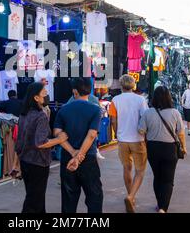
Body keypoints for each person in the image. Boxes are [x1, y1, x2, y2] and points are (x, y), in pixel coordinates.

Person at [14, 82, 68, 213]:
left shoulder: (24, 114)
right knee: (34, 201)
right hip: (38, 163)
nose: (46, 95)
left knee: (35, 198)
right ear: (36, 98)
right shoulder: (40, 116)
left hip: (25, 161)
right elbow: (41, 143)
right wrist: (59, 139)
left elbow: (19, 142)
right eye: (44, 92)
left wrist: (16, 164)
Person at [53, 77, 103, 213]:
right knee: (94, 197)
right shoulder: (95, 110)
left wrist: (73, 153)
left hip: (67, 158)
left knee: (69, 199)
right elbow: (92, 135)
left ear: (74, 92)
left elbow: (58, 133)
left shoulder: (64, 109)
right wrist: (79, 155)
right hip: (88, 158)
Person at [138, 86, 187, 213]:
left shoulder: (148, 112)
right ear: (169, 97)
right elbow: (180, 133)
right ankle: (163, 208)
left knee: (157, 177)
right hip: (170, 148)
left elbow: (141, 130)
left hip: (153, 148)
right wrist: (184, 147)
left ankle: (160, 204)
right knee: (168, 179)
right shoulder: (175, 113)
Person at [108, 75, 148, 213]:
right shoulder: (140, 99)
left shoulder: (115, 100)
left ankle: (130, 195)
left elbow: (113, 120)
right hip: (138, 139)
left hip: (122, 140)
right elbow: (145, 118)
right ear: (133, 85)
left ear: (121, 85)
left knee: (126, 168)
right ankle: (131, 196)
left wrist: (117, 134)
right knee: (140, 170)